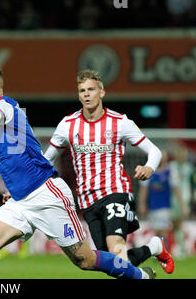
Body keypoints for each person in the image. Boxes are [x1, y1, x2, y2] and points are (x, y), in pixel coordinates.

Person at [0, 63, 155, 279]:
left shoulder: (5, 107)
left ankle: (139, 276)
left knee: (86, 260)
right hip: (20, 201)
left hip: (47, 194)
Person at [43, 69, 174, 273]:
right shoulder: (67, 125)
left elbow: (154, 151)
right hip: (87, 200)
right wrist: (25, 186)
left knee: (116, 248)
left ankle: (144, 274)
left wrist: (149, 167)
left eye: (91, 89)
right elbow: (46, 160)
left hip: (115, 192)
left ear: (102, 92)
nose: (86, 94)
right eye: (82, 90)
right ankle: (154, 248)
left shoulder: (120, 122)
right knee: (110, 263)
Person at [139, 149, 189, 264]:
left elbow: (176, 190)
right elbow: (144, 190)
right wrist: (142, 204)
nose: (163, 158)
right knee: (157, 231)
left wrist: (183, 205)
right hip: (153, 207)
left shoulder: (170, 172)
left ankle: (163, 256)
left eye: (164, 156)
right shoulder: (148, 171)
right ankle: (159, 254)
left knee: (163, 231)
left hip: (165, 207)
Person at [169, 144, 193, 259]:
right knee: (175, 225)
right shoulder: (171, 166)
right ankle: (182, 248)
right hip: (171, 199)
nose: (182, 156)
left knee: (178, 224)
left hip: (184, 198)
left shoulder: (190, 168)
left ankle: (183, 250)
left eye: (184, 154)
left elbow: (193, 183)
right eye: (180, 154)